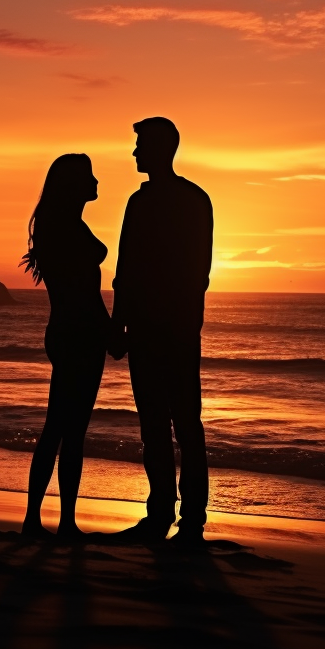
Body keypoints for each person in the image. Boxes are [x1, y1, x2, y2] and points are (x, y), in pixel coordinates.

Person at [109, 118, 213, 545]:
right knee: (163, 422)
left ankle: (185, 516)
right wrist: (120, 322)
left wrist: (124, 320)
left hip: (168, 327)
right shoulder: (156, 201)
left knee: (177, 421)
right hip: (164, 327)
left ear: (160, 148)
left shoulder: (185, 200)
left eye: (139, 145)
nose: (134, 153)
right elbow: (126, 271)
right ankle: (167, 513)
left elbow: (194, 272)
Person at [20, 153, 110, 540]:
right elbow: (84, 295)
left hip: (68, 330)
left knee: (60, 427)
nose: (97, 182)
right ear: (74, 183)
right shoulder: (65, 230)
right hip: (79, 332)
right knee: (67, 430)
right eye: (89, 176)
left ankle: (42, 519)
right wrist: (108, 331)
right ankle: (58, 521)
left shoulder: (61, 226)